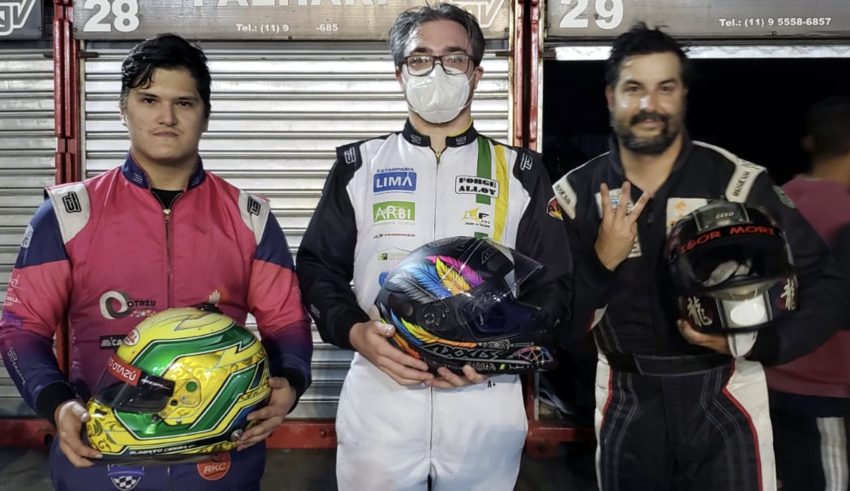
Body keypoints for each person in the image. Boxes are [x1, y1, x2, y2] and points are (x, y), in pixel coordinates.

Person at [0, 33, 313, 491]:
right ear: (123, 109)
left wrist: (291, 381)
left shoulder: (251, 218)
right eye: (149, 100)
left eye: (184, 103)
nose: (166, 117)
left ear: (206, 114)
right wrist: (57, 403)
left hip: (223, 462)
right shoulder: (67, 215)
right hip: (99, 460)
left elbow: (286, 321)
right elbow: (21, 329)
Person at [552, 23, 850, 491]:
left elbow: (827, 285)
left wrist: (767, 345)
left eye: (665, 88)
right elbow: (560, 325)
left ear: (683, 95)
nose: (650, 104)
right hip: (625, 399)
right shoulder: (572, 195)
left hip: (726, 391)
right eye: (635, 89)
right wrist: (600, 263)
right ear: (611, 97)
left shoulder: (738, 183)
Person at [295, 4, 571, 490]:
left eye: (454, 58)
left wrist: (495, 355)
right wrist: (355, 332)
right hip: (381, 393)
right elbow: (318, 268)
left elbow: (554, 287)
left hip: (484, 400)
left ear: (476, 74)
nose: (436, 70)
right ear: (400, 74)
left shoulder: (522, 172)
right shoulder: (359, 165)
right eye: (420, 58)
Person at [766, 96, 850, 491]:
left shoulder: (777, 200)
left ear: (811, 143)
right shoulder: (845, 213)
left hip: (770, 381)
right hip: (825, 393)